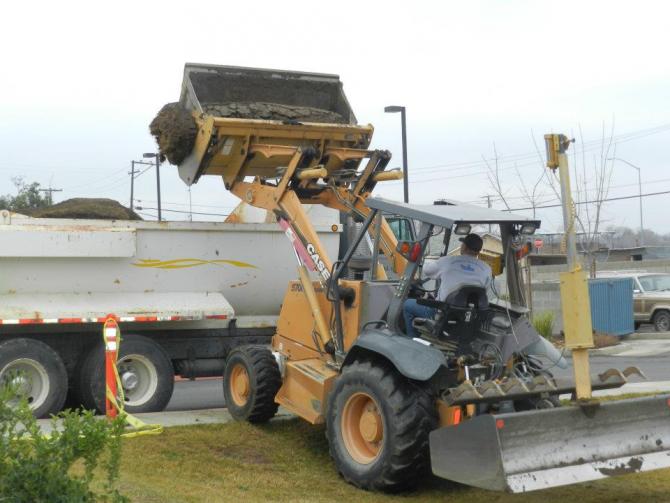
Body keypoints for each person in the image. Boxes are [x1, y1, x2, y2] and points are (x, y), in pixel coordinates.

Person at [403, 233, 492, 338]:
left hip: (442, 314)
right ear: (478, 250)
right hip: (468, 318)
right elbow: (484, 292)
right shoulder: (486, 269)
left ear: (464, 247)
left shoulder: (448, 261)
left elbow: (427, 270)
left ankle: (412, 339)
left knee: (408, 304)